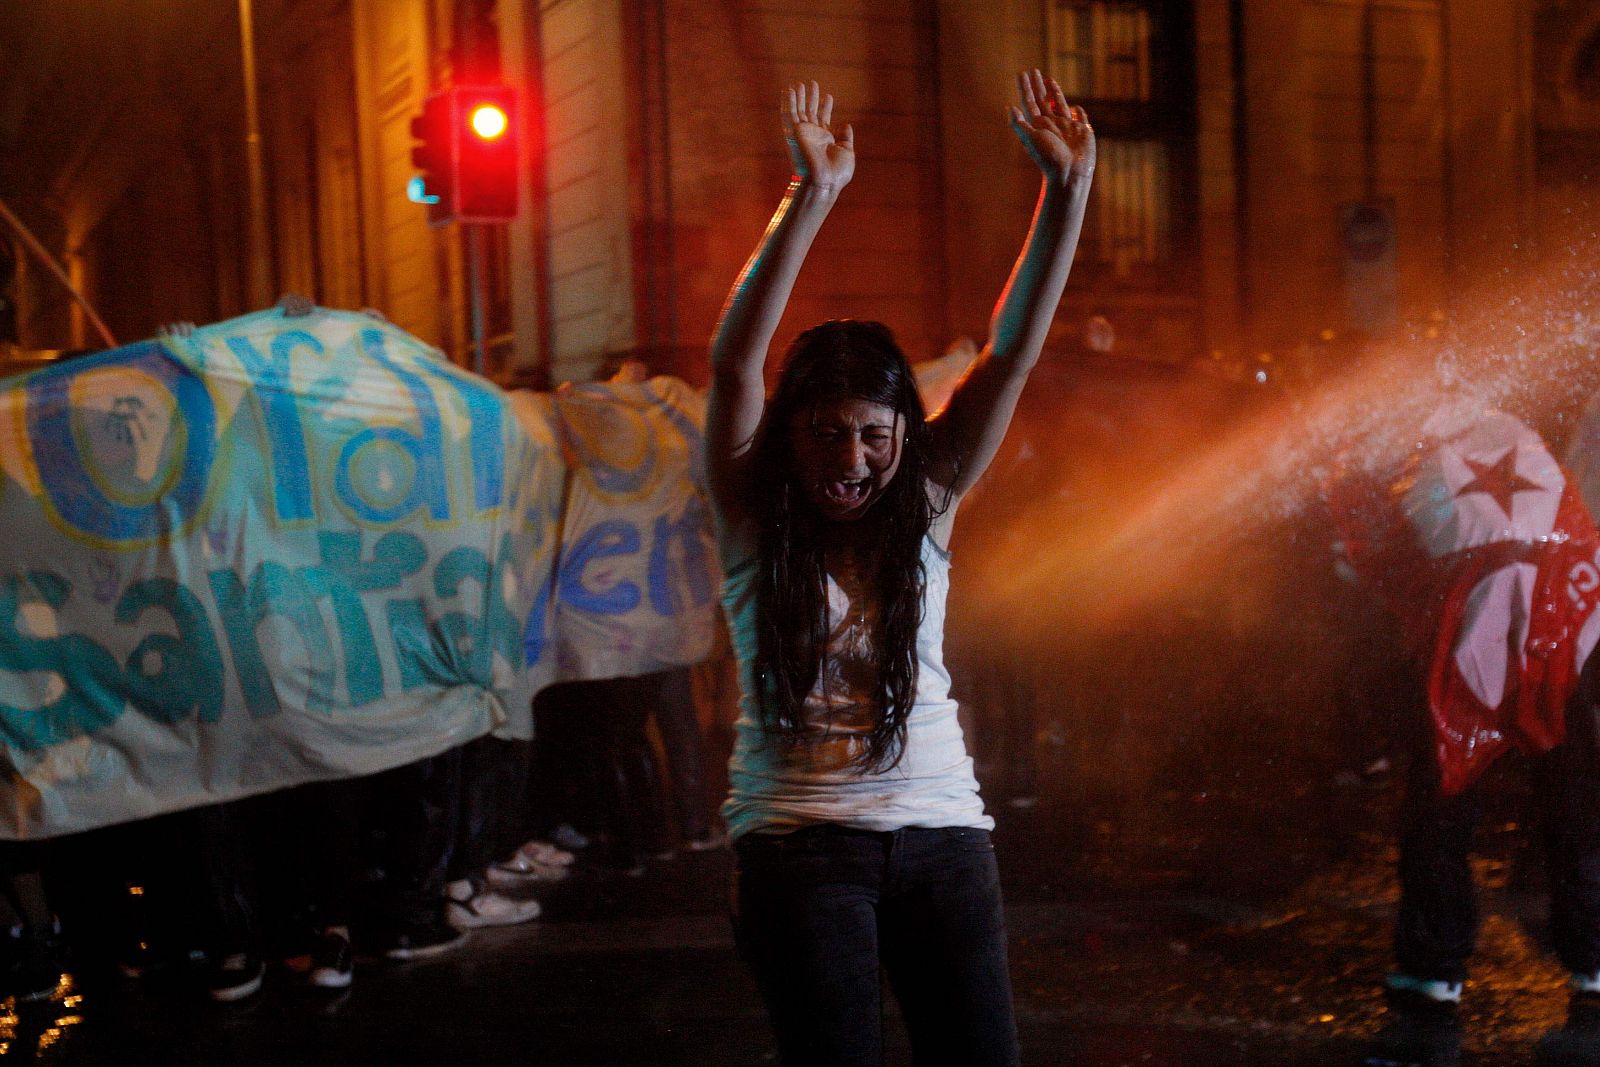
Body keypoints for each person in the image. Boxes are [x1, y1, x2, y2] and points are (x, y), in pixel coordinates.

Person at [704, 73, 1093, 1065]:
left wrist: (1068, 192)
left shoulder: (925, 500)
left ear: (901, 434)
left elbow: (1007, 358)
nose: (850, 461)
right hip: (797, 846)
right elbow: (735, 367)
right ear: (789, 438)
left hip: (943, 834)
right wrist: (812, 197)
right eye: (827, 435)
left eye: (873, 435)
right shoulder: (750, 507)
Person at [1327, 398, 1600, 1067]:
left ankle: (1431, 975)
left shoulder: (1385, 454)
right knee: (1577, 805)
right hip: (1570, 610)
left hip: (1475, 620)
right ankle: (1595, 964)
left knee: (1443, 804)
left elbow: (1375, 567)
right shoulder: (1509, 428)